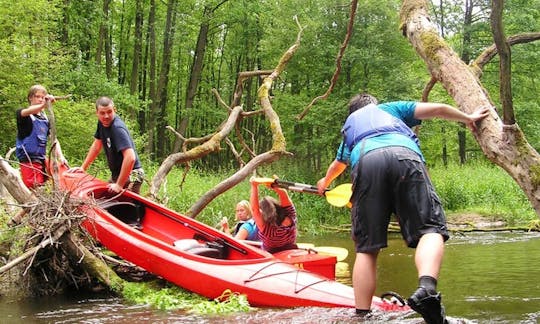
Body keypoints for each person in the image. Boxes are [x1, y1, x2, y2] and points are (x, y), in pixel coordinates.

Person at [316, 93, 490, 323]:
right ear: (374, 104)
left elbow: (338, 164)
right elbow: (438, 108)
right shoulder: (391, 109)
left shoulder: (351, 129)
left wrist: (324, 183)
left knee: (366, 248)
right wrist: (468, 117)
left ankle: (361, 315)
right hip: (404, 157)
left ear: (353, 113)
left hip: (366, 163)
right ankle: (426, 288)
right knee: (430, 229)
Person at [69, 96, 144, 194]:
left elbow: (130, 157)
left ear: (114, 110)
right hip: (117, 174)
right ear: (97, 113)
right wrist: (83, 168)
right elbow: (97, 145)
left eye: (109, 112)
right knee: (102, 196)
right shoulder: (101, 123)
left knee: (123, 205)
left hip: (133, 174)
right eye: (102, 113)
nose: (106, 116)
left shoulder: (117, 128)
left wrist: (119, 185)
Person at [15, 85, 56, 189]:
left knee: (47, 186)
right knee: (33, 187)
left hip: (41, 159)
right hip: (28, 159)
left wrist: (61, 157)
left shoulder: (45, 119)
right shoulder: (23, 113)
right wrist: (45, 104)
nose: (40, 99)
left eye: (43, 97)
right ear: (30, 98)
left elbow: (53, 139)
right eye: (38, 96)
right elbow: (29, 111)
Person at [249, 177, 298, 253]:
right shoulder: (291, 215)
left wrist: (254, 186)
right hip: (291, 249)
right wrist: (275, 186)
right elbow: (283, 193)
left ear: (263, 212)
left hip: (272, 256)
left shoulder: (267, 229)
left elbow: (255, 210)